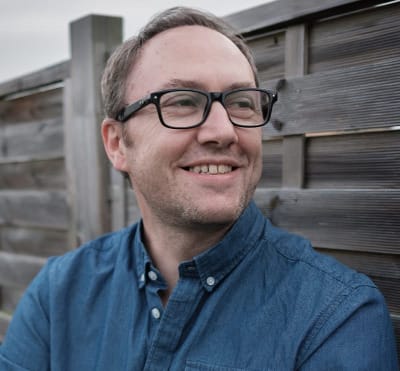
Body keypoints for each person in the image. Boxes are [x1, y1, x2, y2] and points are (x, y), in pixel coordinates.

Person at [0, 6, 398, 371]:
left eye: (242, 102)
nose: (224, 131)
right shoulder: (59, 294)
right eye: (183, 102)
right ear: (118, 144)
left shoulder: (334, 316)